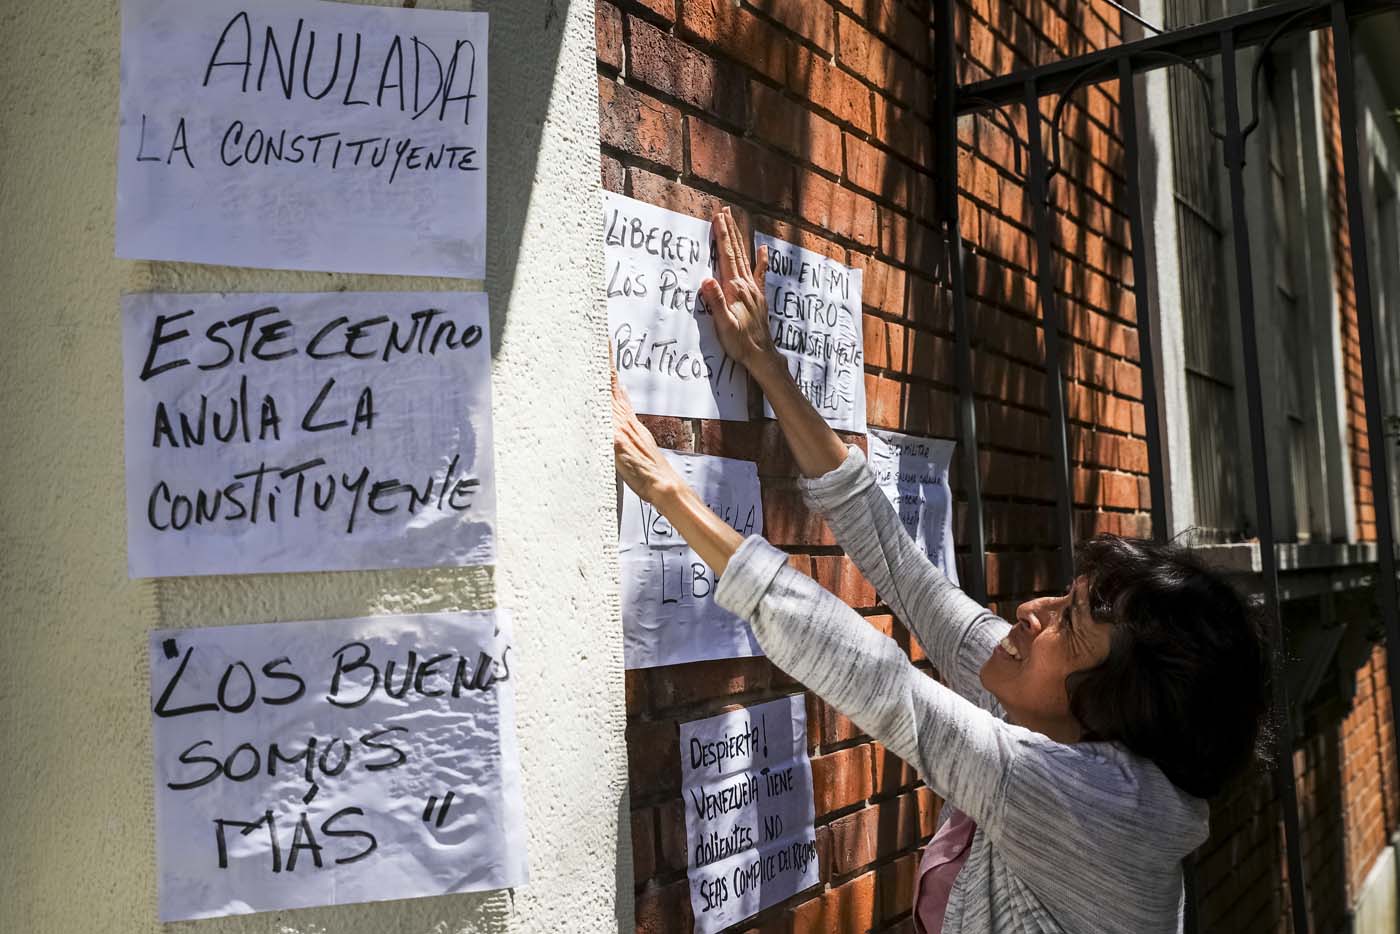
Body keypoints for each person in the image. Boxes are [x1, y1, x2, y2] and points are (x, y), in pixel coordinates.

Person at [611, 205, 1272, 933]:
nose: (1032, 611)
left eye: (1069, 625)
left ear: (1121, 705)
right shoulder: (1060, 724)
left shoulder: (1094, 805)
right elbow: (908, 575)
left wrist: (665, 489)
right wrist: (766, 362)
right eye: (1063, 597)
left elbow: (886, 686)